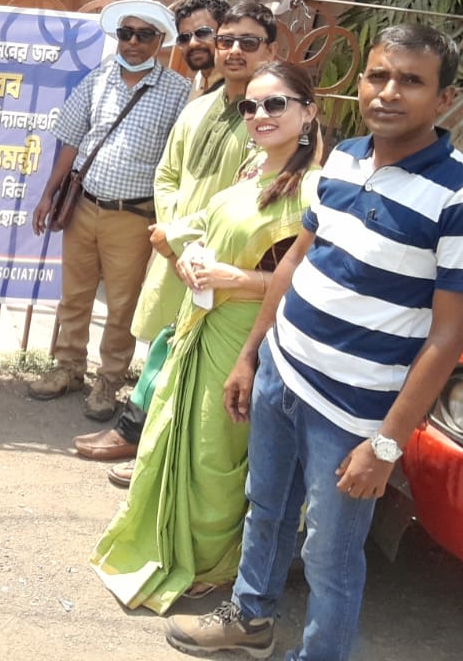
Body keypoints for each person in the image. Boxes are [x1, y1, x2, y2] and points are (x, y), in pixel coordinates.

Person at [166, 25, 463, 661]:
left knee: (330, 553)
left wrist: (386, 445)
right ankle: (251, 618)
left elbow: (448, 337)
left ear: (446, 99)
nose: (388, 92)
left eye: (411, 81)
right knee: (265, 507)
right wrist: (253, 356)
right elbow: (298, 259)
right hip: (282, 373)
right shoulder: (344, 158)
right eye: (379, 76)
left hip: (354, 413)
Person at [91, 61, 321, 614]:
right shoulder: (253, 168)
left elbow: (307, 281)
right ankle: (170, 545)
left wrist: (235, 279)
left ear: (309, 112)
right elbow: (214, 232)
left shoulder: (314, 191)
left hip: (249, 333)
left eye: (276, 104)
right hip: (203, 322)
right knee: (178, 437)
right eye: (250, 106)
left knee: (216, 453)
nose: (259, 115)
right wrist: (194, 255)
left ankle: (214, 563)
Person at [73, 0, 278, 470]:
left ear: (270, 49)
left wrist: (182, 234)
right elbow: (167, 175)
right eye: (226, 41)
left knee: (203, 363)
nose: (233, 51)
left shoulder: (267, 119)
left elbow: (251, 196)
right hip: (175, 253)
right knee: (165, 344)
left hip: (224, 260)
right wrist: (169, 232)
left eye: (248, 42)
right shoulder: (199, 107)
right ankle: (141, 438)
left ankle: (161, 453)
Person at [29, 0, 190, 420]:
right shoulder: (97, 79)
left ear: (160, 40)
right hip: (84, 206)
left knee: (121, 306)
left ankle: (108, 381)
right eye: (126, 33)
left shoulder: (177, 92)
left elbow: (180, 161)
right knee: (74, 295)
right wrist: (48, 194)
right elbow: (71, 140)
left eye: (144, 35)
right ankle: (68, 368)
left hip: (133, 217)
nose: (133, 42)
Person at [173, 0, 229, 100]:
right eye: (184, 38)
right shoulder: (197, 81)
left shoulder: (241, 85)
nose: (192, 43)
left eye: (203, 33)